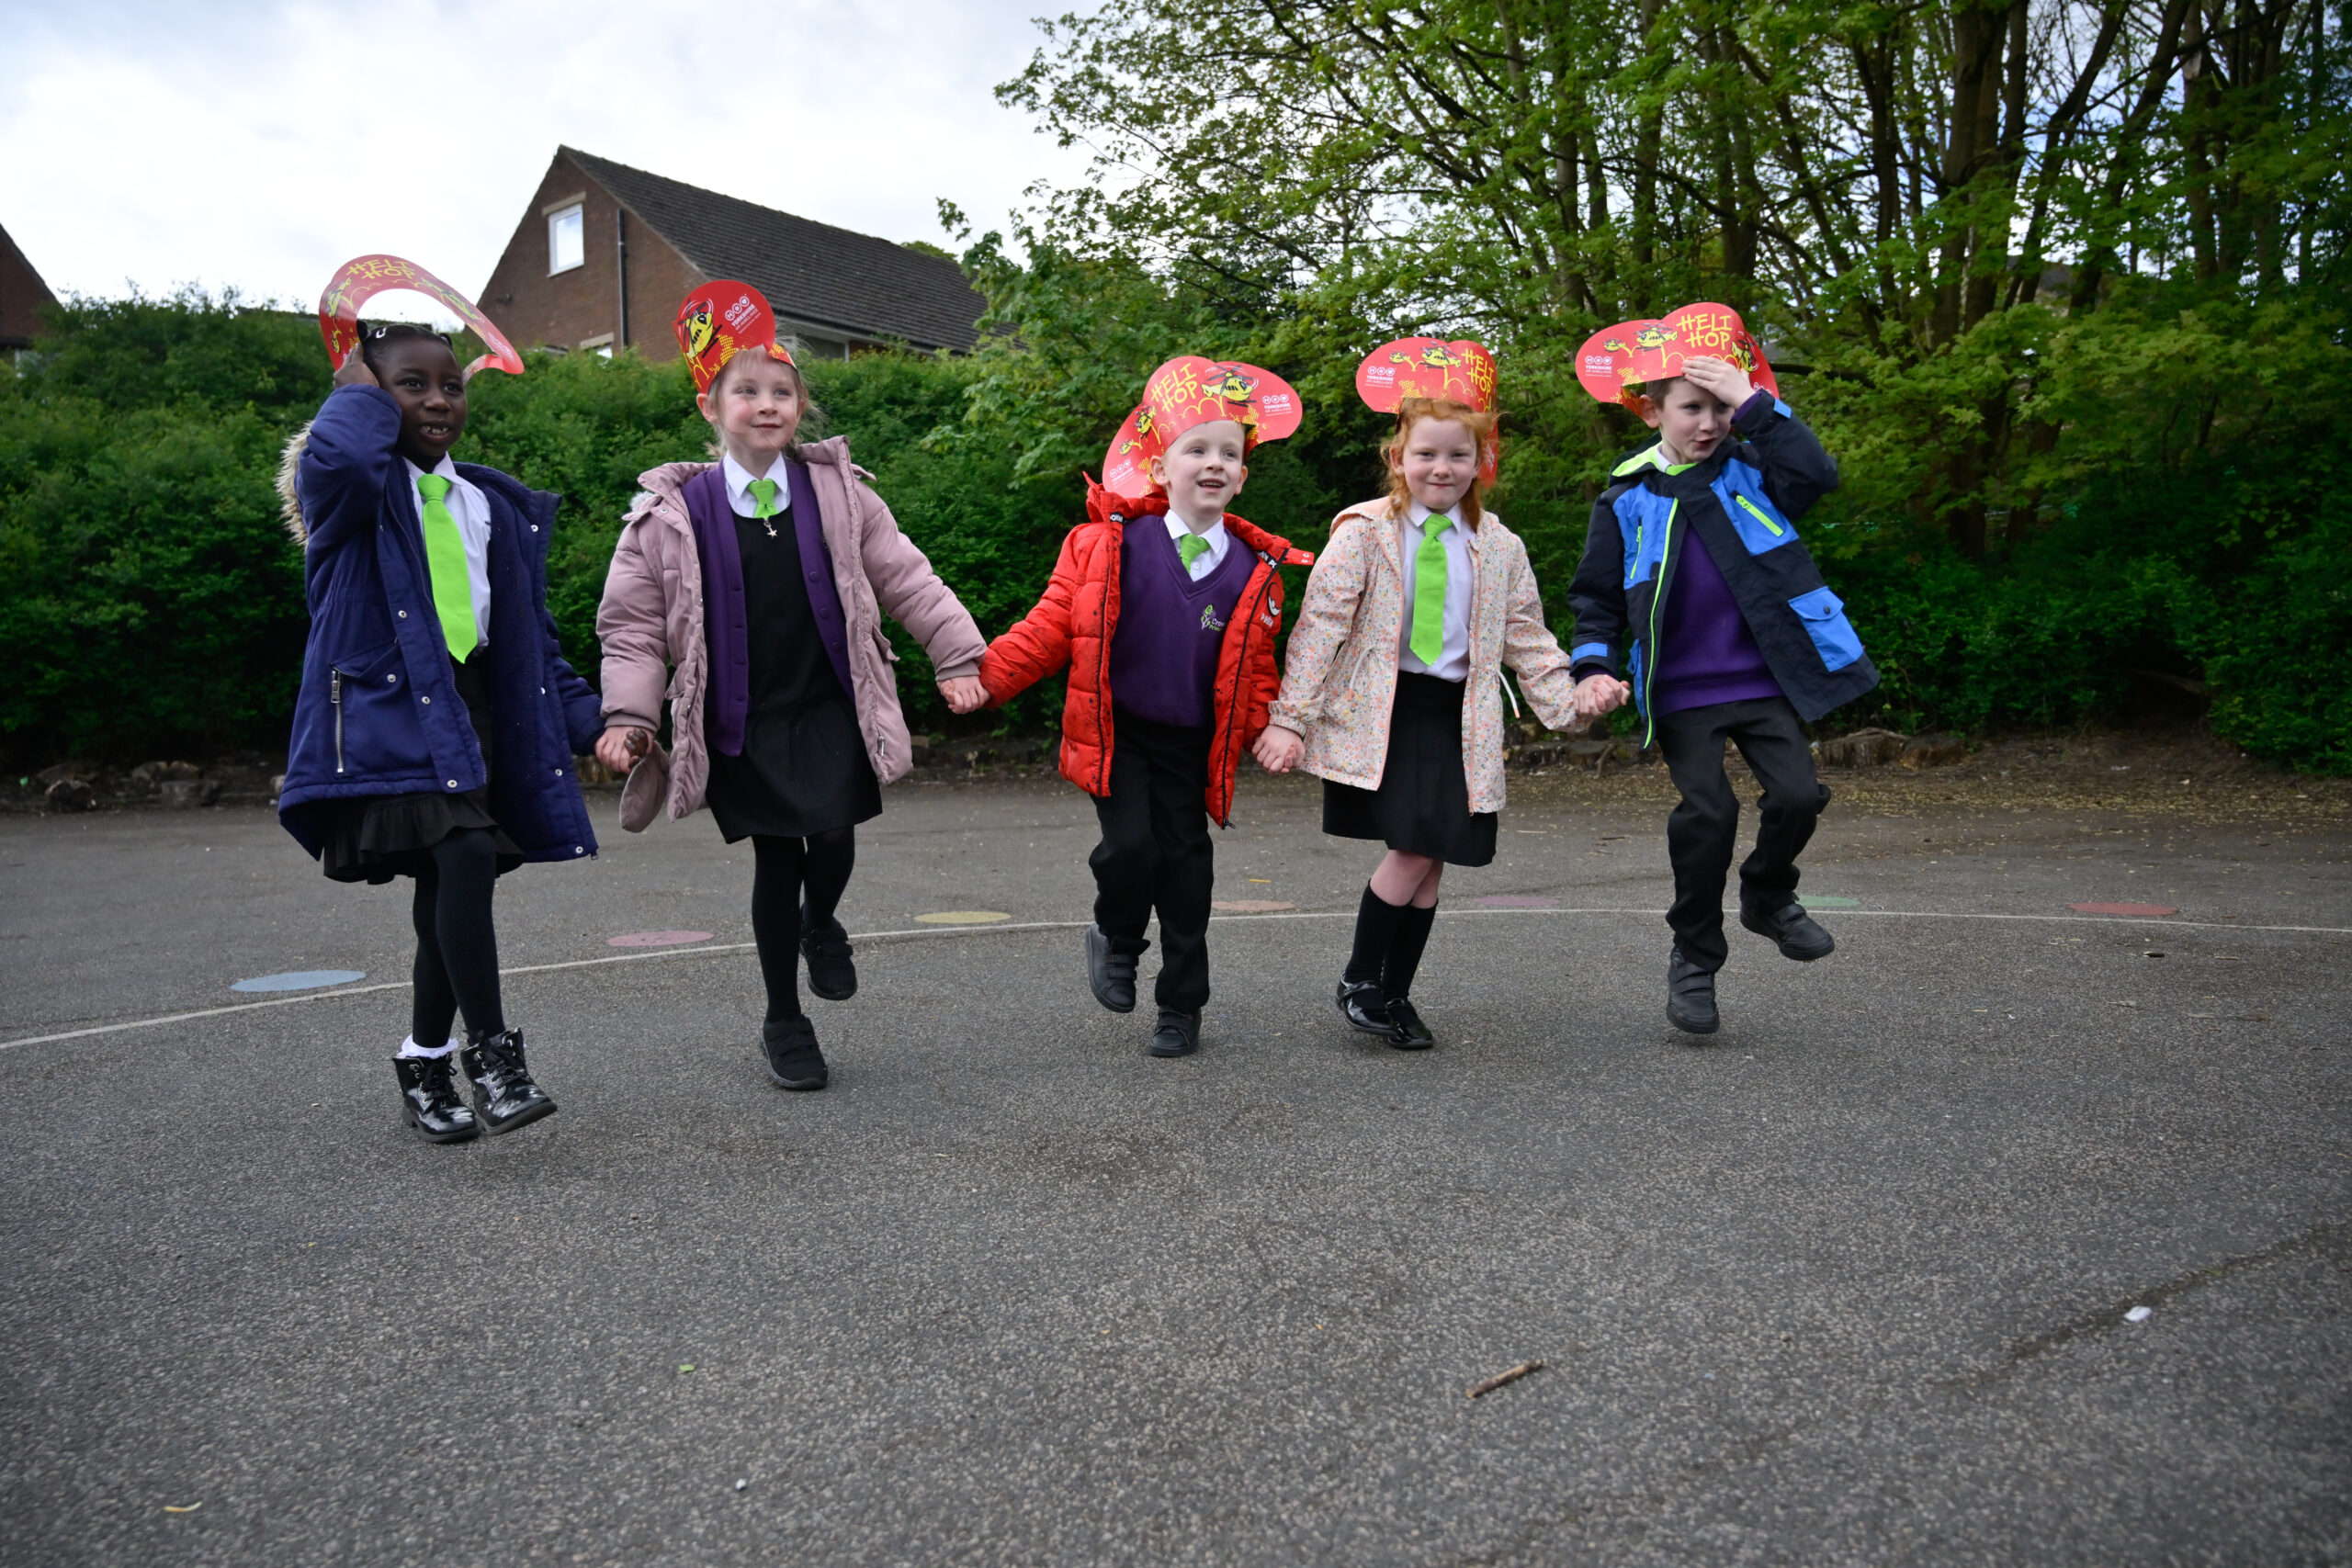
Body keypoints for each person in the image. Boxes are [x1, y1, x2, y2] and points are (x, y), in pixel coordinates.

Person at [593, 282, 989, 1092]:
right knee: (778, 859)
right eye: (747, 391)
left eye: (782, 392)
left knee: (835, 836)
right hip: (741, 717)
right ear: (712, 405)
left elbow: (908, 579)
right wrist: (629, 714)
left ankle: (822, 922)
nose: (766, 405)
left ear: (801, 405)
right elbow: (631, 626)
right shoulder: (671, 514)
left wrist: (957, 657)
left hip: (830, 704)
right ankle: (784, 1018)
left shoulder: (841, 493)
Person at [277, 321, 603, 1141]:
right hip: (391, 713)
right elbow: (343, 457)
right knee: (461, 854)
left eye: (451, 385)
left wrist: (598, 725)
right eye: (410, 384)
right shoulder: (350, 495)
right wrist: (354, 388)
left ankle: (424, 1061)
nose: (436, 399)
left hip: (469, 712)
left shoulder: (488, 505)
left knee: (446, 898)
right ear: (370, 395)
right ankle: (493, 1057)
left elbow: (531, 639)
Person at [979, 356, 1314, 1058]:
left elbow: (1256, 673)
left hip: (1192, 747)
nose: (1214, 463)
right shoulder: (1108, 545)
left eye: (1229, 453)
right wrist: (987, 678)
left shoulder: (1256, 574)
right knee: (1131, 848)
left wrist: (1275, 728)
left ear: (1244, 476)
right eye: (1197, 449)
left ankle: (1182, 1006)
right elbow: (1048, 629)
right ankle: (1118, 935)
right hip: (1120, 734)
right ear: (1160, 468)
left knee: (1189, 876)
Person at [1256, 338, 1578, 1051]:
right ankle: (1359, 979)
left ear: (1480, 462)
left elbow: (1528, 636)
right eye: (1426, 453)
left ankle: (1395, 991)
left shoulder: (1500, 546)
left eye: (1458, 455)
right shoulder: (1366, 532)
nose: (1442, 467)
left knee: (1433, 860)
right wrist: (1289, 720)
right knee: (1410, 850)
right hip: (1387, 709)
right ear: (1397, 457)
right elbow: (1319, 629)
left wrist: (1569, 702)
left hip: (1459, 714)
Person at [1564, 302, 1877, 1036]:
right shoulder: (1626, 496)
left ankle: (1767, 894)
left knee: (1799, 795)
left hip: (1763, 679)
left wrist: (1752, 402)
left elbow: (1818, 472)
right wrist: (1592, 667)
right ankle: (1695, 957)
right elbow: (1596, 597)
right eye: (1693, 407)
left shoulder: (1756, 468)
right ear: (1653, 411)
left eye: (1720, 408)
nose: (1709, 423)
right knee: (1710, 812)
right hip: (1681, 690)